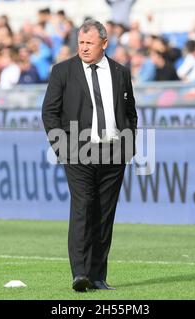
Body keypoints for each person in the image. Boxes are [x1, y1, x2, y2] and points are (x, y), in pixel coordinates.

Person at [42, 19, 137, 292]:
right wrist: (63, 148)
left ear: (104, 44)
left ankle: (97, 276)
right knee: (83, 207)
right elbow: (49, 112)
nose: (83, 48)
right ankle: (80, 274)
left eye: (89, 43)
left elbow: (130, 113)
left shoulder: (120, 72)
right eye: (80, 43)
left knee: (104, 214)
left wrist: (127, 147)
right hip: (77, 151)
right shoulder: (62, 71)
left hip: (113, 152)